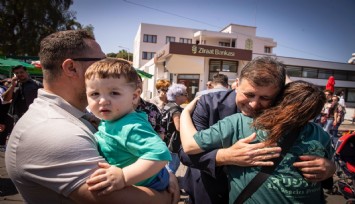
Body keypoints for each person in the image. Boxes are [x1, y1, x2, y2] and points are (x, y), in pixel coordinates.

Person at [5, 30, 179, 203]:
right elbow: (114, 199)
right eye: (101, 61)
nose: (107, 66)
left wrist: (164, 174)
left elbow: (151, 154)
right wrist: (170, 195)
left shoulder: (86, 116)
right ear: (71, 68)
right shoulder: (53, 130)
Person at [178, 56, 336, 204]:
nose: (254, 104)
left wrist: (330, 168)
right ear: (237, 83)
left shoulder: (289, 111)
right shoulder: (208, 104)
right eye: (249, 94)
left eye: (265, 98)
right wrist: (225, 156)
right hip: (211, 191)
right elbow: (185, 153)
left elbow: (315, 149)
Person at [85, 58, 171, 193]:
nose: (103, 101)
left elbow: (160, 154)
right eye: (94, 94)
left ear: (134, 96)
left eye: (114, 93)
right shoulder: (113, 119)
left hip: (151, 186)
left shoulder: (131, 126)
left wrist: (124, 176)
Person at [163, 83, 188, 174]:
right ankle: (168, 185)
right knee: (172, 167)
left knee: (167, 165)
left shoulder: (168, 105)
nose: (186, 96)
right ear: (177, 96)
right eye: (185, 94)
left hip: (165, 140)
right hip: (173, 142)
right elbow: (179, 127)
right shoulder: (176, 109)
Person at [135, 75, 166, 139]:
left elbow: (160, 131)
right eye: (132, 82)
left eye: (138, 82)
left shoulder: (152, 108)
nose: (137, 85)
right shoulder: (119, 108)